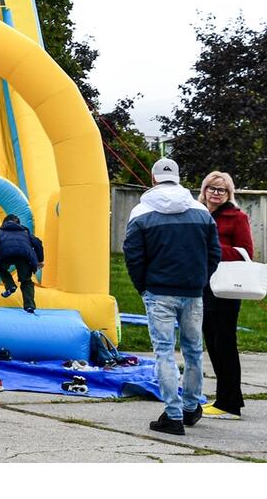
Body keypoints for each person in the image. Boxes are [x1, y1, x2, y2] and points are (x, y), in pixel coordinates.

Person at [123, 158, 221, 436]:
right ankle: (191, 407)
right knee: (193, 350)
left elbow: (133, 255)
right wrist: (200, 280)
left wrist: (143, 286)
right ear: (178, 178)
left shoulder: (141, 211)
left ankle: (173, 415)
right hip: (192, 291)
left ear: (153, 179)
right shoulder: (201, 211)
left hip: (158, 291)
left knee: (164, 352)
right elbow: (214, 253)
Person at [197, 170, 254, 420]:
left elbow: (245, 253)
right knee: (212, 343)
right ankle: (226, 397)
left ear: (229, 193)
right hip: (204, 286)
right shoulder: (198, 213)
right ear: (204, 190)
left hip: (227, 289)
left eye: (221, 189)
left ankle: (229, 403)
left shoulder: (237, 217)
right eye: (212, 188)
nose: (216, 193)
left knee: (225, 345)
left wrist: (212, 248)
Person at [0, 214, 44, 313]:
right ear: (18, 224)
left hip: (5, 254)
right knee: (26, 281)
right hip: (24, 255)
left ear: (4, 223)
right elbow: (37, 243)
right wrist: (40, 260)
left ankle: (10, 285)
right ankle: (29, 305)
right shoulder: (25, 232)